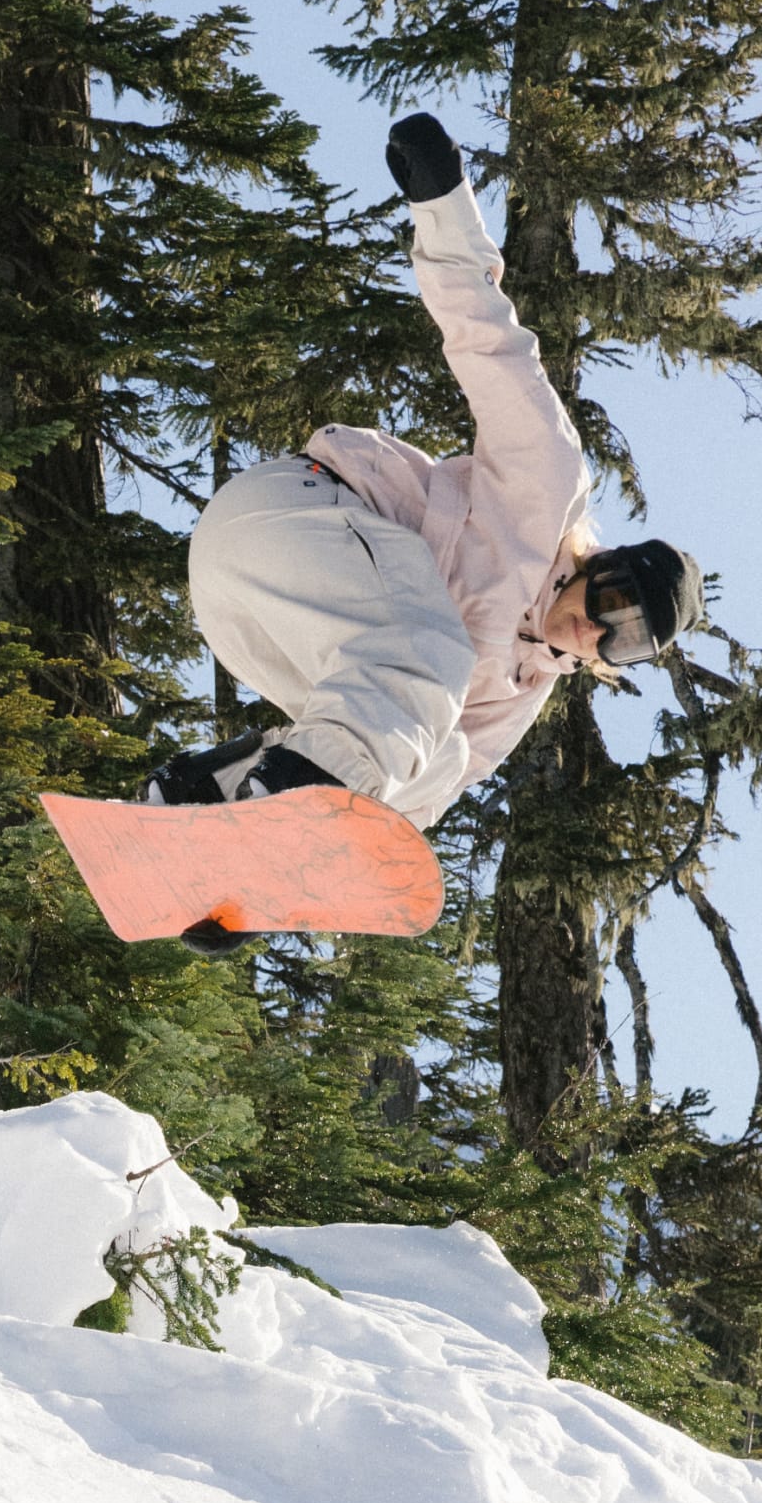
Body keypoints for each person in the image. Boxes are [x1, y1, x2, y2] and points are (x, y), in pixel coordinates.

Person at [147, 110, 704, 946]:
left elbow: (418, 793)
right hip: (292, 517)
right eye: (615, 597)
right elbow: (491, 345)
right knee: (433, 657)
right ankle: (290, 790)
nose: (594, 625)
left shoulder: (518, 692)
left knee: (427, 752)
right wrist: (443, 202)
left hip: (242, 617)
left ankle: (205, 798)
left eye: (619, 642)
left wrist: (256, 894)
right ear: (604, 559)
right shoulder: (548, 488)